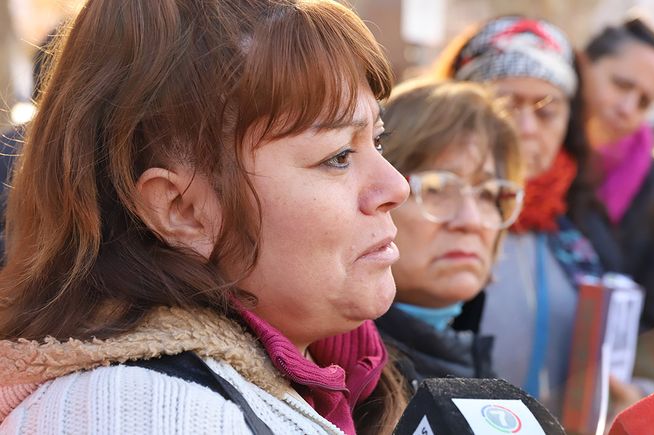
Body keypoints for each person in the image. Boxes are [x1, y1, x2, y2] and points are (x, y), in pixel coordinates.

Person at [0, 1, 412, 434]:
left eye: (378, 143)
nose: (396, 187)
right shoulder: (143, 412)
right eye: (338, 156)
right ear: (183, 211)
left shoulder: (339, 378)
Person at [431, 16, 605, 415]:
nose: (526, 128)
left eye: (546, 111)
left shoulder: (582, 226)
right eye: (506, 104)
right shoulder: (427, 219)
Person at [375, 79, 524, 391]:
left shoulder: (468, 360)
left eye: (488, 194)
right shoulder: (345, 386)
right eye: (436, 189)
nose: (470, 221)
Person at [578, 18, 654, 333]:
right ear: (582, 67)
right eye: (621, 84)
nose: (627, 108)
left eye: (644, 102)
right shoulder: (537, 158)